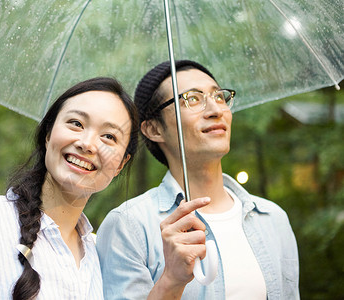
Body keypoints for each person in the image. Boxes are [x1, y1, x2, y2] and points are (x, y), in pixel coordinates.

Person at [96, 60, 300, 299]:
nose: (215, 110)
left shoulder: (273, 218)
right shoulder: (129, 226)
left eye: (219, 96)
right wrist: (171, 280)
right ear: (153, 129)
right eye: (192, 98)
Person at [0, 77, 139, 300]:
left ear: (120, 164)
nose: (87, 144)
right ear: (48, 134)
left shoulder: (94, 257)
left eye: (109, 136)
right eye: (76, 123)